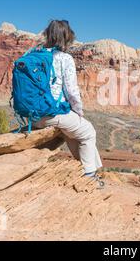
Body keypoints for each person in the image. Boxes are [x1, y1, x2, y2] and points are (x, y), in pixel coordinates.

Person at [34, 20, 103, 184]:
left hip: (32, 115)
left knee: (73, 133)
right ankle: (89, 178)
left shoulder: (35, 55)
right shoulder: (64, 58)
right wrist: (79, 111)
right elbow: (72, 91)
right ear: (66, 38)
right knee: (89, 131)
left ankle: (88, 170)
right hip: (51, 113)